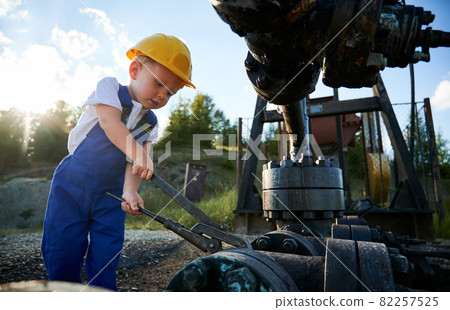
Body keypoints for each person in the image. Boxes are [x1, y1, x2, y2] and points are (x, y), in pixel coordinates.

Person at [41, 33, 195, 291]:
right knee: (63, 243)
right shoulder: (109, 88)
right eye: (158, 84)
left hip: (111, 194)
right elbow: (110, 125)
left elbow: (132, 164)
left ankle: (102, 294)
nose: (161, 96)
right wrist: (139, 153)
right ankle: (63, 290)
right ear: (135, 69)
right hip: (73, 180)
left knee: (107, 248)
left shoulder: (151, 123)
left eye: (170, 93)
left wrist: (130, 190)